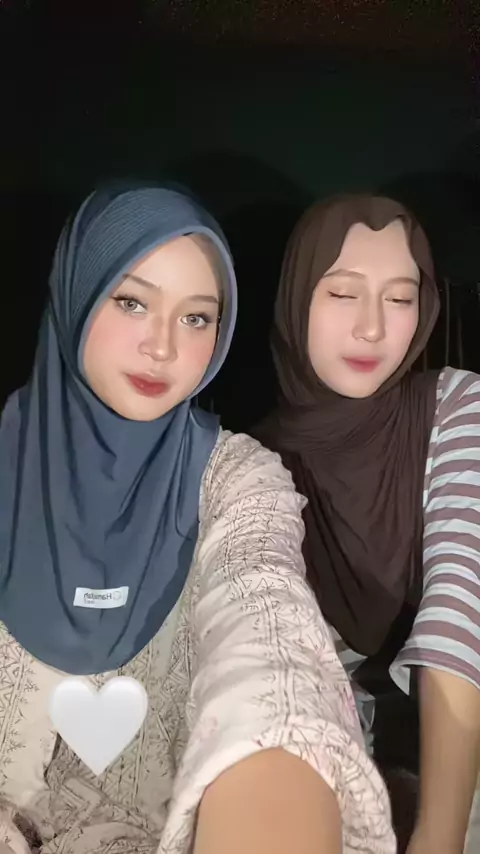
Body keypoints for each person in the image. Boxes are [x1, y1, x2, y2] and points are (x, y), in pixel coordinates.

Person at [0, 185, 395, 854]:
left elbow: (270, 637)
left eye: (196, 318)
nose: (163, 346)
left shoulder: (236, 478)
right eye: (132, 302)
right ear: (75, 294)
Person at [253, 194, 480, 854]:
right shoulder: (246, 463)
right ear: (296, 298)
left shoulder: (458, 406)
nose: (374, 328)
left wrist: (438, 837)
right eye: (342, 293)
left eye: (400, 298)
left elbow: (458, 612)